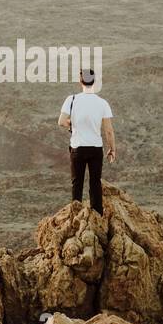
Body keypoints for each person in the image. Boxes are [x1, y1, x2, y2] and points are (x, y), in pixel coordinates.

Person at [57, 68, 115, 214]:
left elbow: (61, 121)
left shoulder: (72, 99)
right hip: (96, 148)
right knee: (95, 183)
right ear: (94, 81)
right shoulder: (102, 103)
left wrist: (73, 124)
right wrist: (112, 149)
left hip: (78, 148)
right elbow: (108, 130)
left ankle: (76, 215)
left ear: (80, 81)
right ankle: (97, 215)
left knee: (77, 183)